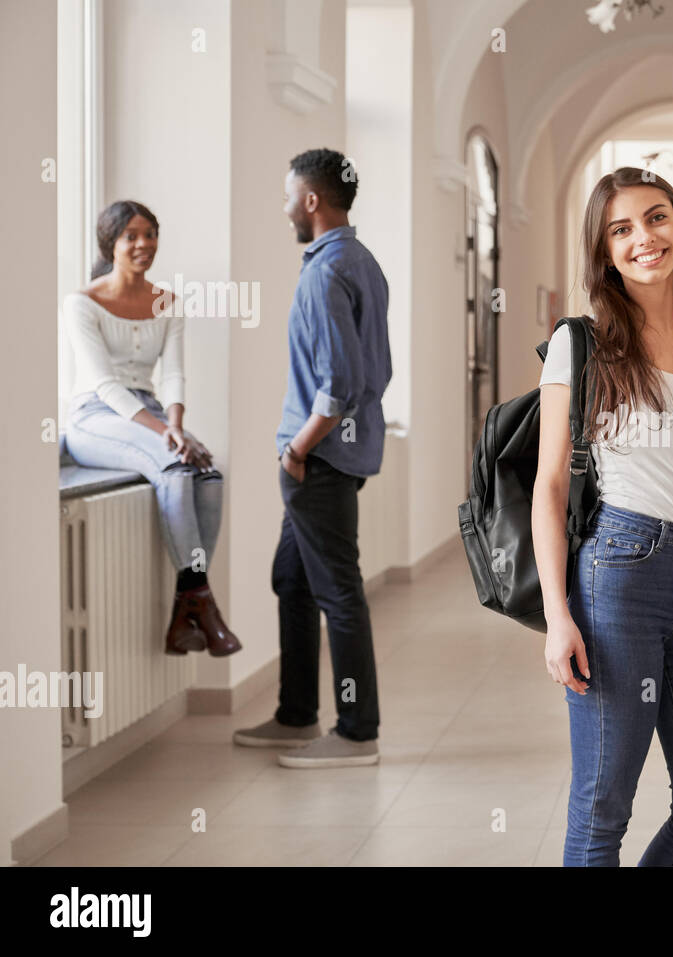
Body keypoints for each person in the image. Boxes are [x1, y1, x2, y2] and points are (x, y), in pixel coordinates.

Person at [533, 167, 673, 866]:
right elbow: (551, 484)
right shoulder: (582, 342)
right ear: (604, 250)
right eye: (620, 229)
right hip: (617, 574)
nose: (643, 238)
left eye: (656, 218)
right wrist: (558, 616)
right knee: (604, 806)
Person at [233, 148, 391, 769]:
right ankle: (297, 715)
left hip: (317, 460)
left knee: (338, 592)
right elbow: (378, 370)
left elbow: (341, 382)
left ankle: (357, 732)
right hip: (334, 458)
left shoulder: (326, 271)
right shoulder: (363, 262)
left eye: (285, 196)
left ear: (311, 201)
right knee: (292, 580)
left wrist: (299, 449)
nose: (283, 209)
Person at [64, 200, 238, 657]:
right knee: (177, 469)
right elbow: (103, 384)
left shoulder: (168, 303)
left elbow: (175, 375)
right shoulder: (81, 303)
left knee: (209, 474)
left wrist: (175, 426)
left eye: (151, 234)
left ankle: (189, 605)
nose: (144, 244)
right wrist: (164, 432)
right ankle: (202, 606)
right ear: (111, 244)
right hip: (95, 417)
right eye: (132, 236)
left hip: (152, 415)